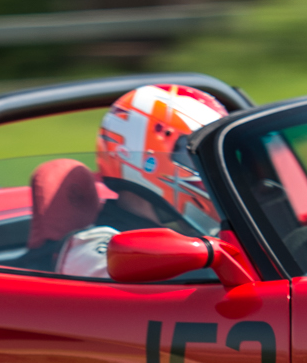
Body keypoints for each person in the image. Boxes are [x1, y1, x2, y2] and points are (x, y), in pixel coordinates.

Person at [39, 83, 230, 278]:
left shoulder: (187, 234)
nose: (216, 171)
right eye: (199, 157)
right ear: (148, 156)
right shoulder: (93, 248)